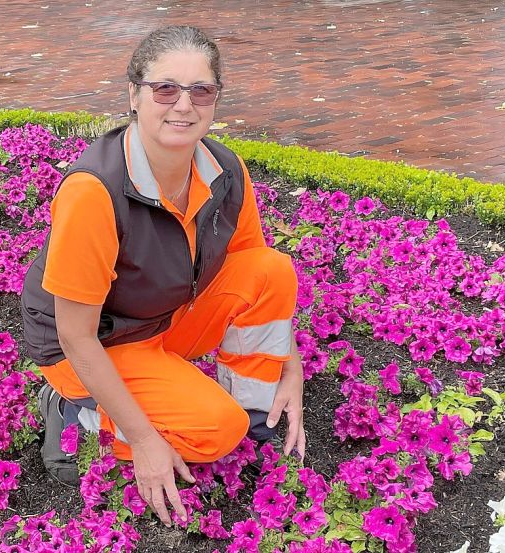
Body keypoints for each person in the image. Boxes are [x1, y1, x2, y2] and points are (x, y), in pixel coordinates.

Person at [20, 25, 306, 527]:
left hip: (161, 317)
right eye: (165, 88)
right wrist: (147, 441)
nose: (183, 105)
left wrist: (291, 367)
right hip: (91, 346)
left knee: (273, 268)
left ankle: (260, 418)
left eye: (201, 89)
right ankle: (76, 412)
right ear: (134, 93)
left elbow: (258, 273)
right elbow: (75, 334)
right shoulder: (94, 192)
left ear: (216, 98)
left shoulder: (224, 167)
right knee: (215, 432)